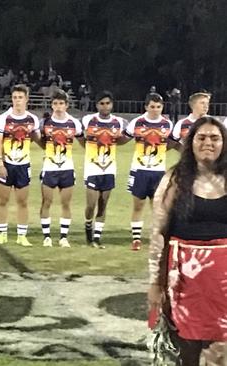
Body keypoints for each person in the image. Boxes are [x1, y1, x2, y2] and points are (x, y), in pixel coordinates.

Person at [148, 117, 227, 366]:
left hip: (223, 284)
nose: (208, 143)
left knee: (220, 351)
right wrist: (154, 283)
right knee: (186, 353)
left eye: (215, 138)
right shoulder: (174, 180)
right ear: (190, 142)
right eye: (201, 137)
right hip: (183, 281)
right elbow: (158, 234)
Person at [0, 84, 41, 247]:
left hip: (23, 165)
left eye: (20, 97)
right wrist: (0, 163)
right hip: (6, 164)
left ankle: (21, 235)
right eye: (15, 97)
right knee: (3, 200)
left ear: (26, 99)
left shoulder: (32, 119)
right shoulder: (3, 119)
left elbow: (36, 137)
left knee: (22, 201)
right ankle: (2, 234)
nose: (17, 101)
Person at [125, 93, 173, 250]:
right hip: (139, 170)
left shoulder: (167, 124)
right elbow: (124, 138)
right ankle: (136, 238)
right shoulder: (137, 122)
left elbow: (171, 143)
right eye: (152, 107)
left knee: (157, 206)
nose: (155, 110)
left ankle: (156, 237)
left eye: (158, 107)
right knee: (138, 205)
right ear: (146, 107)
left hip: (158, 171)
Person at [81, 91, 129, 248]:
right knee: (91, 204)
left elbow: (122, 140)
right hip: (92, 168)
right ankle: (88, 228)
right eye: (102, 103)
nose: (105, 106)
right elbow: (81, 139)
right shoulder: (88, 120)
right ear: (97, 105)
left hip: (109, 168)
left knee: (103, 204)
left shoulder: (119, 122)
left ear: (112, 104)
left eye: (108, 103)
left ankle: (96, 238)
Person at [37, 90, 83, 248]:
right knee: (46, 202)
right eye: (55, 103)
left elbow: (83, 141)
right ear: (51, 105)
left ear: (67, 105)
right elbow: (39, 140)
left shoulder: (74, 123)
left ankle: (64, 237)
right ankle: (46, 237)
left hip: (67, 169)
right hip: (49, 168)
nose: (58, 107)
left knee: (66, 203)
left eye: (61, 103)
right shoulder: (45, 123)